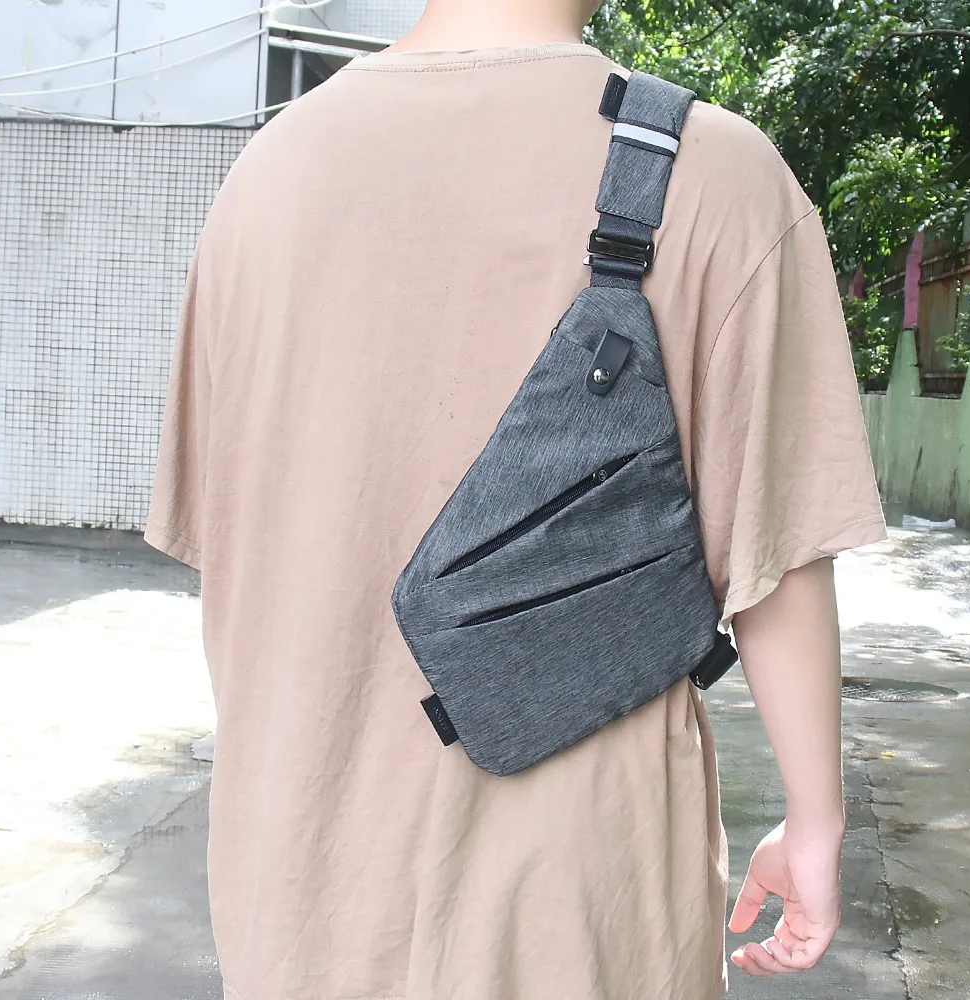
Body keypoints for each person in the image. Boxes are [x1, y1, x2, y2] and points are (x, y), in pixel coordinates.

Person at [144, 0, 887, 997]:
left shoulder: (267, 176)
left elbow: (235, 553)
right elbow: (779, 560)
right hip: (581, 907)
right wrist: (814, 822)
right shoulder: (716, 176)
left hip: (300, 893)